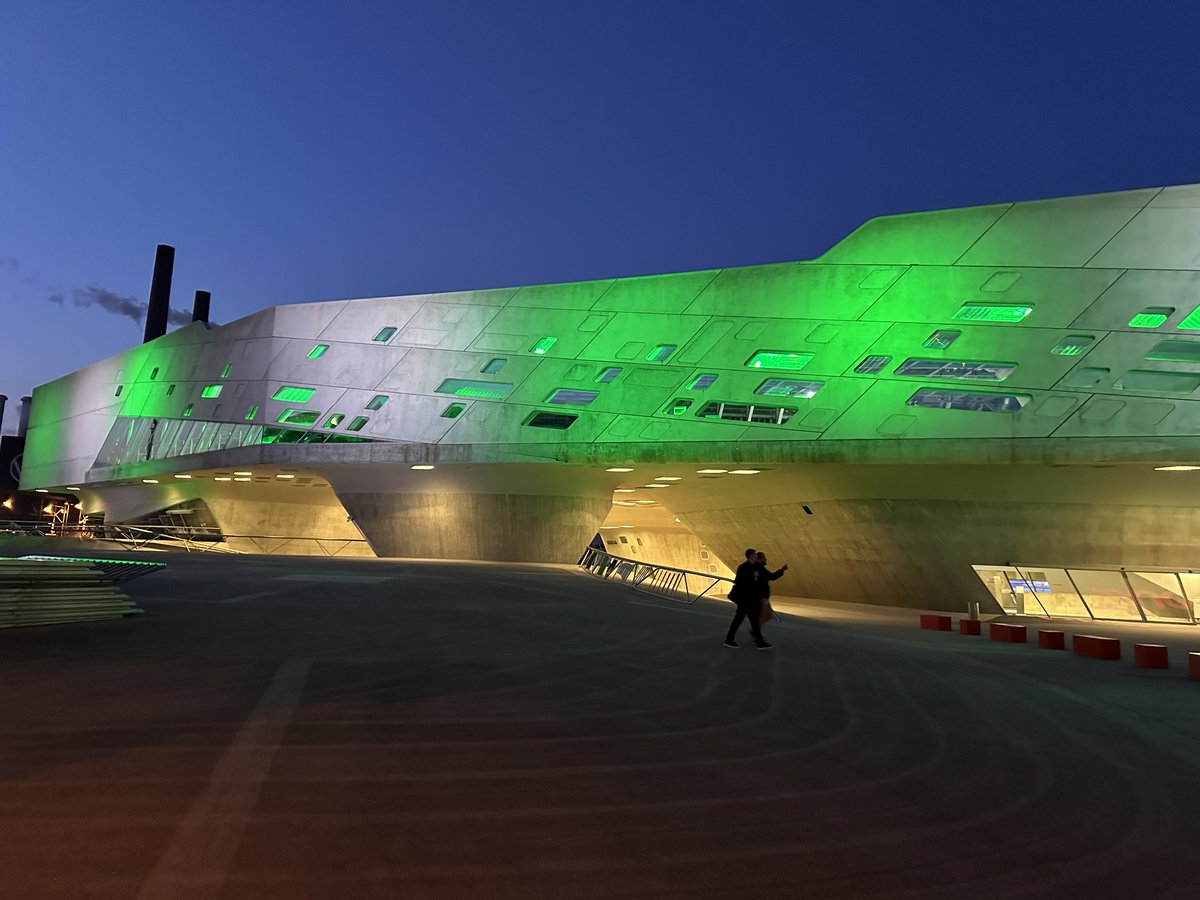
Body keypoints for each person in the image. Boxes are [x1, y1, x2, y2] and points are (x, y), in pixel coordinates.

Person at [725, 548, 769, 650]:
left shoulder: (756, 567)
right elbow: (739, 582)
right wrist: (752, 577)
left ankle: (759, 642)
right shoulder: (743, 567)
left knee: (754, 622)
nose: (756, 555)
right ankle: (729, 640)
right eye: (754, 554)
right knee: (738, 620)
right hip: (744, 600)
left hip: (752, 601)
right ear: (750, 556)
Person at [752, 551, 788, 648]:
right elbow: (771, 577)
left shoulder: (758, 568)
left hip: (761, 597)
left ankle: (756, 632)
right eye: (764, 558)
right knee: (764, 616)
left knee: (767, 616)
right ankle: (757, 636)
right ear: (759, 559)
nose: (766, 559)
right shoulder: (759, 569)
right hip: (761, 597)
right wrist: (782, 570)